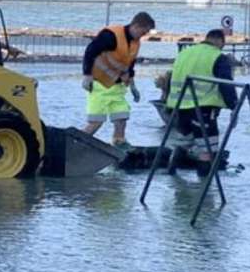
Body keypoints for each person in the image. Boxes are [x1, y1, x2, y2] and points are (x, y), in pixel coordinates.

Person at [166, 29, 238, 176]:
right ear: (220, 41)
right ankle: (204, 190)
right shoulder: (217, 56)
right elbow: (226, 84)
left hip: (179, 106)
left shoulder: (185, 53)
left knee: (184, 142)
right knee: (207, 149)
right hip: (202, 108)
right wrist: (234, 105)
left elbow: (170, 77)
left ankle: (173, 180)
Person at [81, 12, 156, 148]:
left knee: (121, 117)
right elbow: (90, 51)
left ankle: (119, 143)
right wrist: (87, 75)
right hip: (99, 84)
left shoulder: (135, 43)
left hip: (117, 87)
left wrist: (133, 85)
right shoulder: (111, 35)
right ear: (136, 26)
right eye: (143, 32)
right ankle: (76, 145)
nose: (143, 35)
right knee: (96, 122)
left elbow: (129, 65)